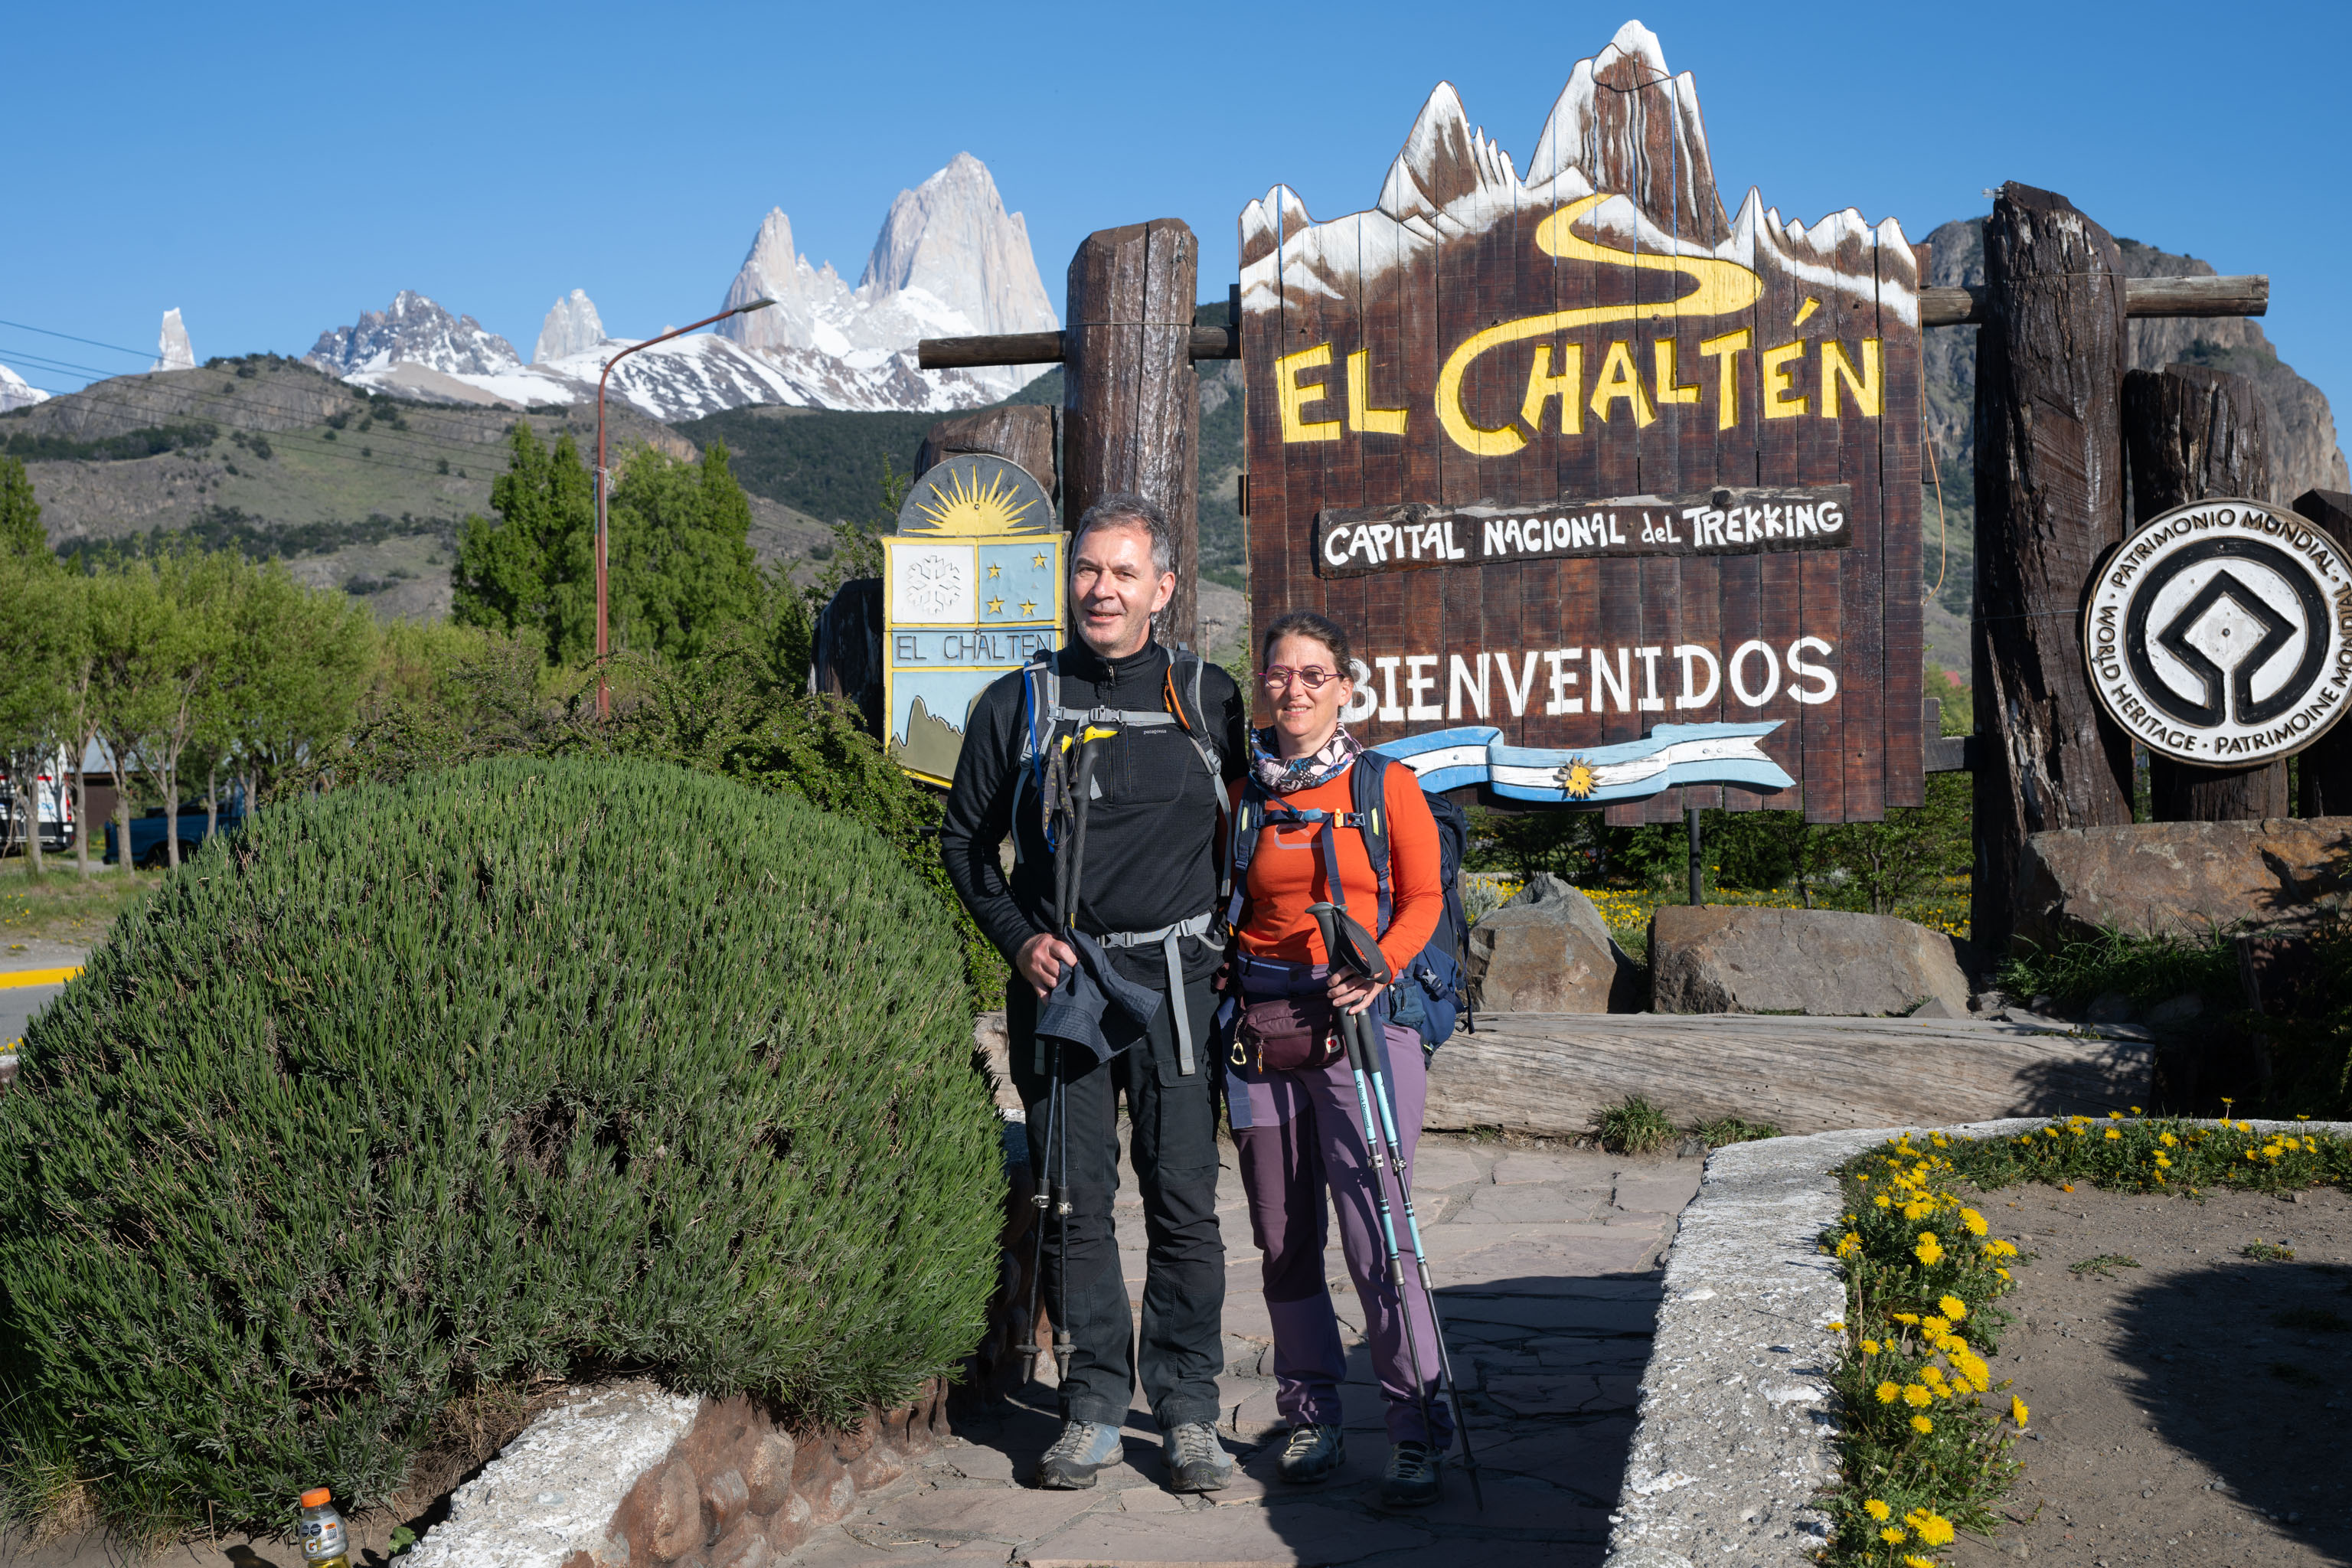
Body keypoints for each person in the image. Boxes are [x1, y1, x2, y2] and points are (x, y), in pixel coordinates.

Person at [940, 494, 1249, 1494]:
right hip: (1064, 984)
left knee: (1183, 1199)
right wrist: (1019, 938)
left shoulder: (1208, 699)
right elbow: (964, 843)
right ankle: (1093, 1406)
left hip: (1175, 984)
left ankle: (1189, 1411)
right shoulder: (1019, 703)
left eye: (1123, 573)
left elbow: (1259, 828)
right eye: (1087, 569)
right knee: (1073, 1199)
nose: (1101, 590)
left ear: (1163, 589)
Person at [1220, 609, 1455, 1508]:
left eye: (1313, 674)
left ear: (1346, 687)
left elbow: (1424, 895)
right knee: (1283, 1237)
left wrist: (1379, 964)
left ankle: (1415, 1425)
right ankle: (1310, 1414)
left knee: (1378, 1234)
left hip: (1364, 1023)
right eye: (1280, 673)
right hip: (1263, 1027)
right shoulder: (1244, 794)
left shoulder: (1385, 785)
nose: (1294, 689)